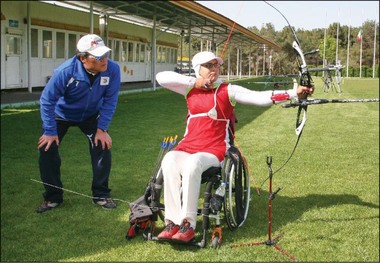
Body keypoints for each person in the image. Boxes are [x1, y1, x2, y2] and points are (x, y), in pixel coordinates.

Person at [155, 51, 313, 242]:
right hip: (188, 145)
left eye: (216, 65)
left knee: (192, 164)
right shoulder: (189, 89)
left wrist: (292, 93)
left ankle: (187, 225)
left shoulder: (227, 90)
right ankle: (172, 222)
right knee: (169, 159)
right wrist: (194, 82)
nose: (215, 69)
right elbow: (161, 78)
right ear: (198, 69)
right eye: (209, 65)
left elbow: (260, 97)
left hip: (214, 149)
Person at [36, 34, 120, 213]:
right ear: (82, 58)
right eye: (98, 57)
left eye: (106, 54)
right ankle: (53, 197)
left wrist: (102, 128)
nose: (104, 60)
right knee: (46, 148)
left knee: (102, 145)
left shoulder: (112, 69)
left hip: (90, 115)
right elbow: (47, 100)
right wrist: (50, 131)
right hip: (61, 115)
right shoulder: (65, 71)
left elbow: (110, 100)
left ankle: (101, 194)